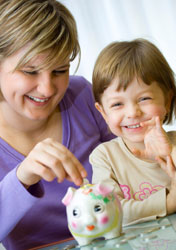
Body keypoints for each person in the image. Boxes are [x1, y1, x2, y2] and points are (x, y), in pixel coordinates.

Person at [0, 1, 114, 249]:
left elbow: (133, 166)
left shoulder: (83, 94)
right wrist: (22, 176)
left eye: (60, 70)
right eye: (30, 72)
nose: (47, 89)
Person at [89, 38, 176, 227]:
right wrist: (169, 203)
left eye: (144, 98)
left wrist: (170, 152)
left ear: (168, 101)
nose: (132, 113)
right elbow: (109, 211)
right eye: (117, 104)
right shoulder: (104, 157)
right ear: (103, 112)